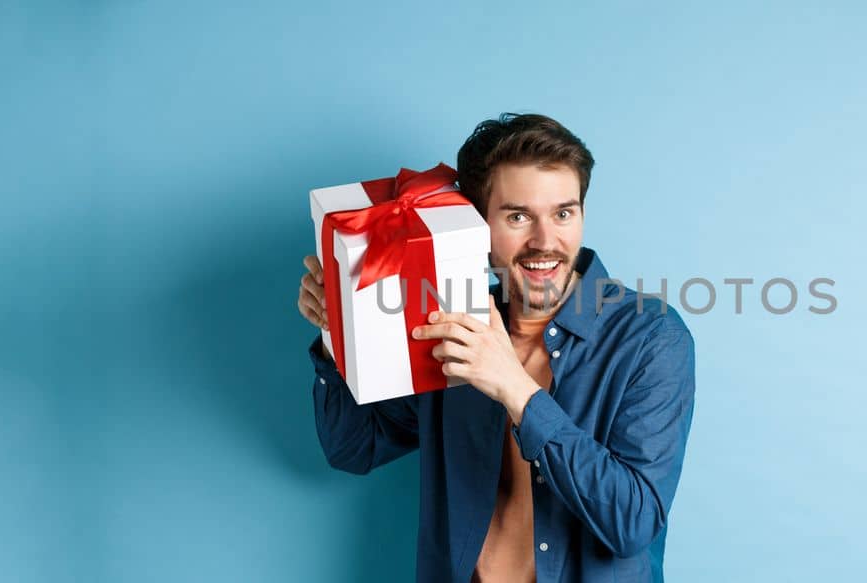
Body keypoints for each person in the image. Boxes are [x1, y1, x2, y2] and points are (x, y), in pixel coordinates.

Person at [297, 113, 696, 582]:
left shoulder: (650, 338)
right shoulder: (449, 327)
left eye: (563, 213)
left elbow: (633, 523)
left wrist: (517, 390)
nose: (545, 242)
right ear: (476, 226)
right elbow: (354, 449)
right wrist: (333, 335)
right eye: (518, 216)